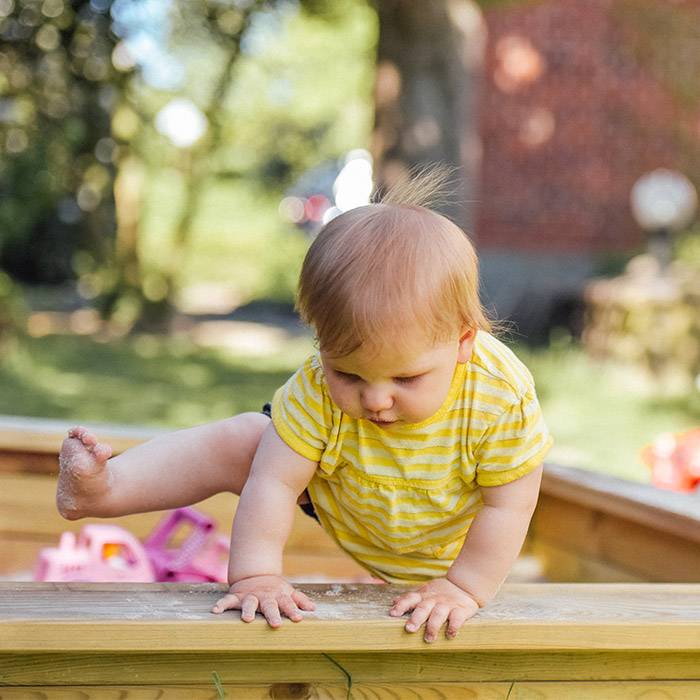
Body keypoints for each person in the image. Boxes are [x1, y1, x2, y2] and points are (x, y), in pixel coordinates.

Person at [57, 169, 553, 643]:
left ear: (463, 342)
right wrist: (255, 576)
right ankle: (104, 489)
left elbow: (510, 503)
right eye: (349, 374)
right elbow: (273, 483)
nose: (376, 400)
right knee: (248, 441)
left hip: (451, 538)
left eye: (406, 377)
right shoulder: (314, 388)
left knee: (487, 525)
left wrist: (464, 587)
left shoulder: (498, 397)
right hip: (350, 493)